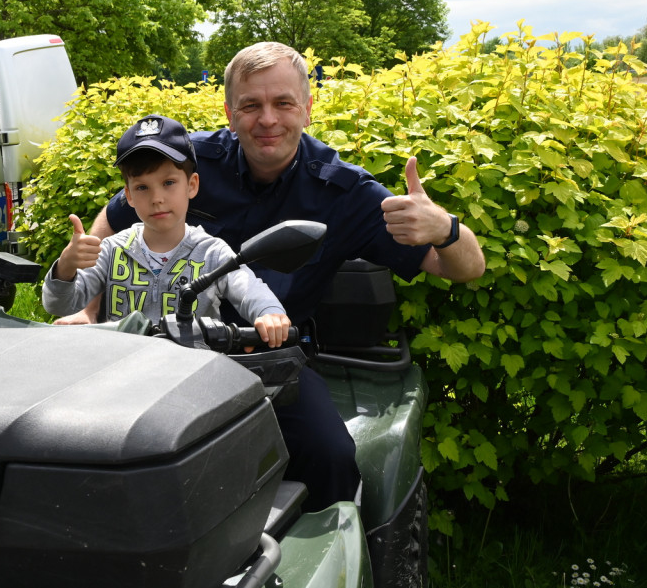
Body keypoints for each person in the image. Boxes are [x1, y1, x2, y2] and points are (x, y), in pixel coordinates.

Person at [58, 42, 486, 511]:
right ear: (229, 111)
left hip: (268, 362)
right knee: (81, 449)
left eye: (283, 103)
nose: (267, 119)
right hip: (164, 355)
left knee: (332, 456)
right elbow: (114, 217)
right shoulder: (186, 164)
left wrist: (446, 229)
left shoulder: (345, 192)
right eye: (250, 105)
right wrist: (87, 306)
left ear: (307, 107)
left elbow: (463, 268)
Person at [42, 114, 292, 348]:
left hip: (191, 380)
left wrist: (270, 313)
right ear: (128, 195)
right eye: (142, 188)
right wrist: (65, 267)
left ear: (192, 185)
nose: (157, 198)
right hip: (119, 376)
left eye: (169, 183)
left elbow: (248, 287)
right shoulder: (112, 249)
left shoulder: (212, 252)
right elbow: (59, 305)